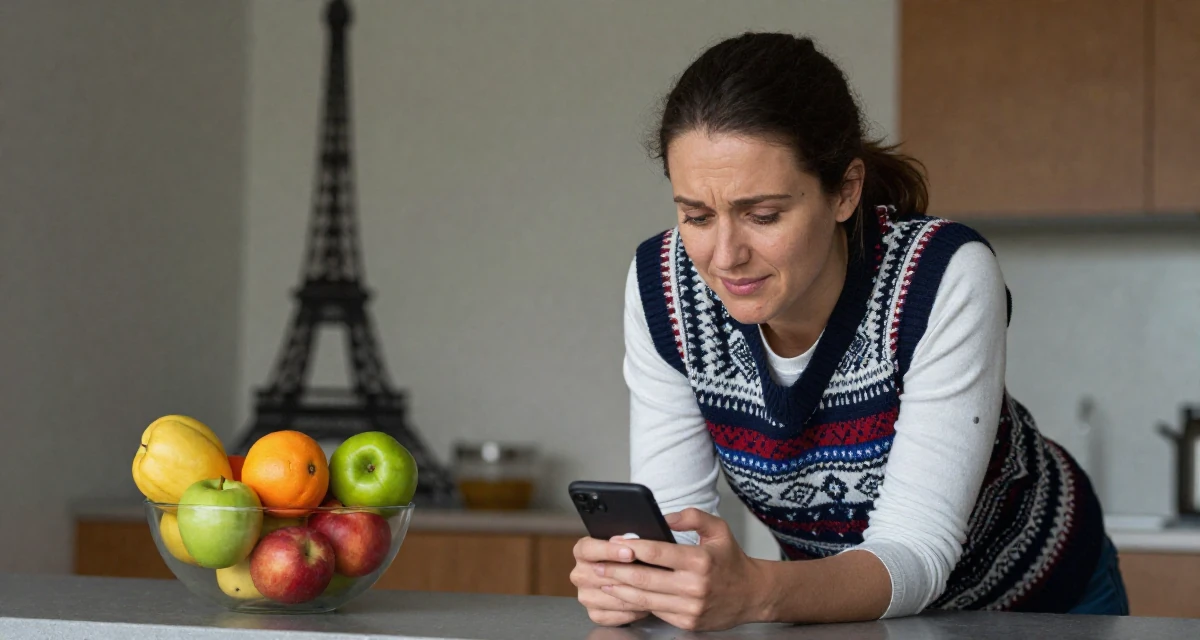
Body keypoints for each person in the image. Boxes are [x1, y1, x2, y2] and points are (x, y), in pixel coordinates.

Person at [569, 32, 1130, 632]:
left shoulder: (941, 276)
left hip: (1041, 596)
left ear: (846, 190)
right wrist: (643, 578)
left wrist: (757, 591)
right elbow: (677, 525)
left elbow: (917, 551)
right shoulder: (666, 287)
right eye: (696, 216)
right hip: (847, 611)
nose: (725, 256)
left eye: (763, 215)